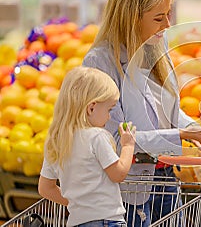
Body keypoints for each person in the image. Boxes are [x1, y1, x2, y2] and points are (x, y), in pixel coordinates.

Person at [82, 0, 201, 226]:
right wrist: (179, 136)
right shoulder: (100, 62)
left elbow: (165, 110)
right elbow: (115, 141)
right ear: (131, 19)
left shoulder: (156, 45)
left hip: (164, 178)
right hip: (129, 190)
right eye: (158, 18)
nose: (167, 25)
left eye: (168, 15)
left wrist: (190, 126)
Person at [38, 66, 136, 227]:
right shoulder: (97, 136)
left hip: (76, 222)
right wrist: (128, 146)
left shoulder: (56, 141)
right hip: (107, 221)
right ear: (91, 108)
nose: (109, 116)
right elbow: (118, 174)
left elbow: (45, 188)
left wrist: (79, 205)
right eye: (109, 109)